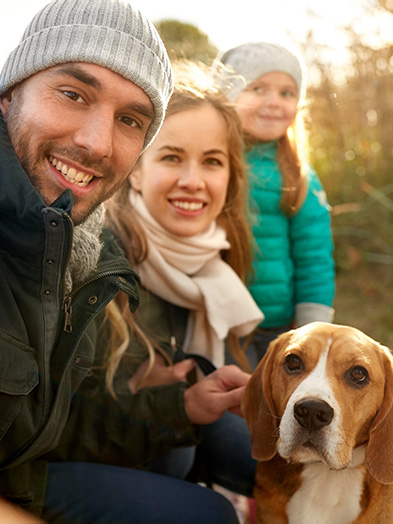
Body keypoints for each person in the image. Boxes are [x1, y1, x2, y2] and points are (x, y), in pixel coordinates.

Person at [0, 1, 250, 522]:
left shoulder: (83, 253)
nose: (96, 141)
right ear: (9, 95)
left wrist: (180, 407)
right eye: (73, 94)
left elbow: (55, 423)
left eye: (130, 120)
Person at [47, 61, 262, 523]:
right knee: (207, 510)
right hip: (75, 451)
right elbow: (58, 424)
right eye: (171, 157)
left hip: (161, 419)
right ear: (135, 170)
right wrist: (165, 402)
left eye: (212, 161)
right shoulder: (100, 258)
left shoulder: (214, 258)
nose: (193, 180)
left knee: (283, 453)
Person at [213, 41, 335, 367]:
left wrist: (311, 323)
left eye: (286, 93)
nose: (274, 102)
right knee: (232, 409)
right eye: (258, 88)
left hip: (281, 326)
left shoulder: (298, 174)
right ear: (227, 96)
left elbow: (314, 253)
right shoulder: (212, 161)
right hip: (218, 323)